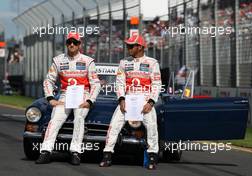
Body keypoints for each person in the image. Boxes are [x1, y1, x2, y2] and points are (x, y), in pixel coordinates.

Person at [35, 32, 101, 165]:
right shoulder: (58, 60)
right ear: (66, 44)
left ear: (79, 44)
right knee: (55, 118)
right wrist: (50, 98)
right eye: (69, 42)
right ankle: (46, 151)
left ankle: (75, 152)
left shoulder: (88, 61)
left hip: (83, 94)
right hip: (65, 94)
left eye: (75, 42)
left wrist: (89, 101)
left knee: (79, 118)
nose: (72, 44)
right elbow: (48, 81)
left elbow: (96, 83)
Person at [99, 35, 162, 170]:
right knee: (114, 125)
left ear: (139, 47)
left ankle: (152, 157)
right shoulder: (123, 63)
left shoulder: (152, 63)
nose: (128, 48)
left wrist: (150, 103)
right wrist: (121, 99)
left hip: (145, 99)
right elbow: (120, 83)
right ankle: (107, 155)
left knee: (152, 127)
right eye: (127, 45)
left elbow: (156, 84)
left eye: (131, 46)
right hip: (128, 99)